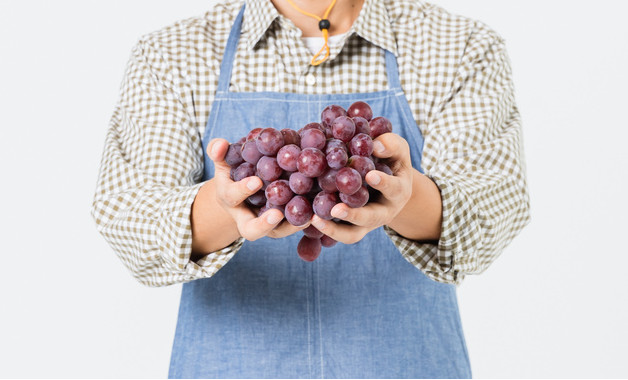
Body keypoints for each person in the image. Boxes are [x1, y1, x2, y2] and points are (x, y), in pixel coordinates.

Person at [92, 0, 530, 377]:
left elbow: (492, 209)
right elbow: (129, 221)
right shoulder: (173, 54)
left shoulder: (459, 45)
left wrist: (403, 197)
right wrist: (227, 207)